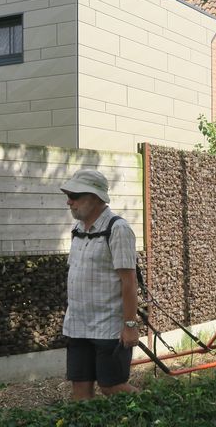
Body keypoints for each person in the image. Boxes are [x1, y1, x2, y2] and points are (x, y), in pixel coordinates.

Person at [60, 169, 139, 400]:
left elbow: (129, 282)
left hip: (109, 327)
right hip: (77, 324)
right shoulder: (77, 230)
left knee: (112, 387)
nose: (69, 201)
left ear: (94, 197)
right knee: (80, 392)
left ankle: (155, 414)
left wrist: (130, 325)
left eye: (74, 195)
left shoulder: (118, 229)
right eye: (68, 195)